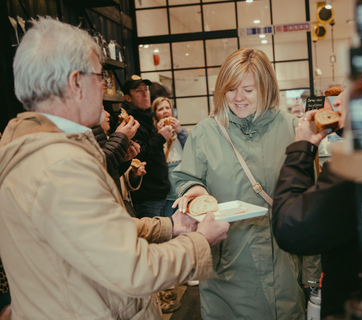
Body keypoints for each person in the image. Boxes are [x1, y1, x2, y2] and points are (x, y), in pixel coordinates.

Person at [0, 17, 229, 320]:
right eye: (101, 77)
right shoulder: (61, 166)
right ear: (75, 82)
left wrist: (170, 226)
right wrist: (200, 242)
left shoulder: (32, 146)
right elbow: (133, 268)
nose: (106, 87)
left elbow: (95, 232)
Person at [171, 48, 322, 320]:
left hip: (284, 268)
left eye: (248, 90)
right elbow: (188, 178)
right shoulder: (206, 132)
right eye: (230, 89)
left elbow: (310, 202)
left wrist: (311, 274)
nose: (238, 98)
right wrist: (194, 192)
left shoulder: (293, 129)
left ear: (266, 87)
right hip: (226, 268)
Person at [272, 90, 361, 317]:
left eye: (347, 91)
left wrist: (301, 150)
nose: (337, 100)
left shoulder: (355, 166)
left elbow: (290, 225)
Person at [122, 75, 172, 218]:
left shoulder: (147, 117)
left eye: (146, 89)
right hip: (147, 197)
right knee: (155, 238)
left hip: (160, 193)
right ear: (128, 98)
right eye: (138, 91)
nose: (145, 94)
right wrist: (161, 137)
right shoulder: (130, 122)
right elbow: (137, 154)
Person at [92, 108, 146, 216]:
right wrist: (122, 137)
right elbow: (99, 170)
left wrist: (125, 160)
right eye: (102, 110)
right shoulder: (91, 140)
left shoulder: (108, 139)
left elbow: (111, 173)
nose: (108, 114)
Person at [152, 97, 188, 218]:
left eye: (167, 108)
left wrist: (179, 130)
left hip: (181, 185)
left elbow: (192, 150)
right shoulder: (153, 134)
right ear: (155, 114)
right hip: (163, 189)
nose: (165, 111)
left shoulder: (181, 132)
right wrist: (159, 135)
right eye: (160, 109)